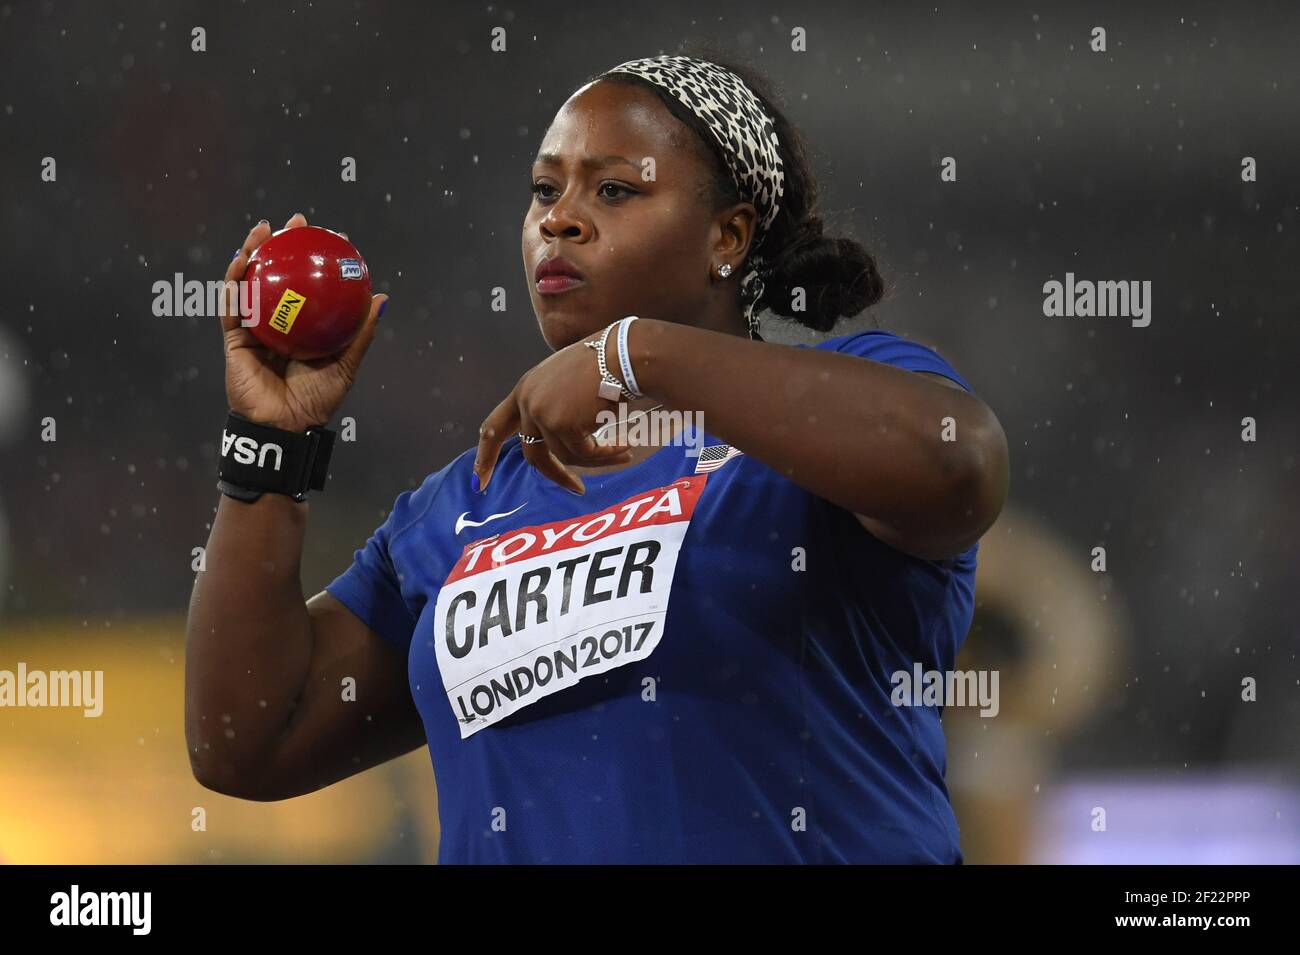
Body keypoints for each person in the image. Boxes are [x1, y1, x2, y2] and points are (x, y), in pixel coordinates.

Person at [186, 49, 1009, 864]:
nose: (559, 219)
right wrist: (274, 441)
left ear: (728, 235)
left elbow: (957, 462)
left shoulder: (838, 411)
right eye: (546, 190)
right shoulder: (461, 504)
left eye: (614, 189)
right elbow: (250, 740)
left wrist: (637, 356)